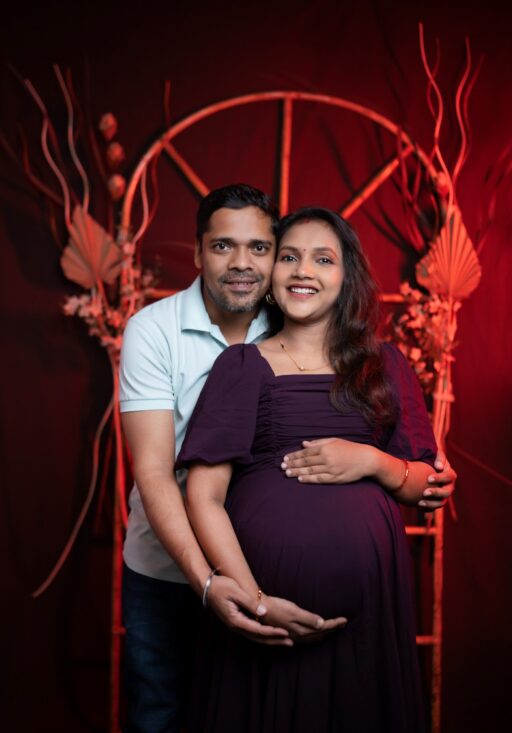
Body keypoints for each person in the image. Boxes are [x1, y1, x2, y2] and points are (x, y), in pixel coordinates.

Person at [119, 186, 455, 733]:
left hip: (365, 613)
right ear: (199, 251)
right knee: (163, 711)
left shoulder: (381, 364)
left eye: (322, 259)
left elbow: (426, 478)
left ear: (347, 275)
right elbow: (166, 476)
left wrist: (372, 461)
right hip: (178, 572)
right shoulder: (196, 346)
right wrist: (243, 595)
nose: (299, 270)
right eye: (291, 256)